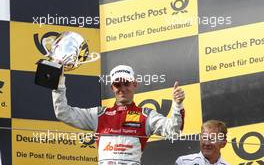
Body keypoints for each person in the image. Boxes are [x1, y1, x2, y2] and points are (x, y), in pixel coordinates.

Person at [53, 65, 185, 165]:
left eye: (126, 83)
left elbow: (173, 130)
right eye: (117, 84)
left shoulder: (146, 115)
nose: (122, 88)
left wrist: (177, 105)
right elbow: (63, 113)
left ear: (134, 84)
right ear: (112, 88)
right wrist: (59, 84)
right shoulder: (99, 115)